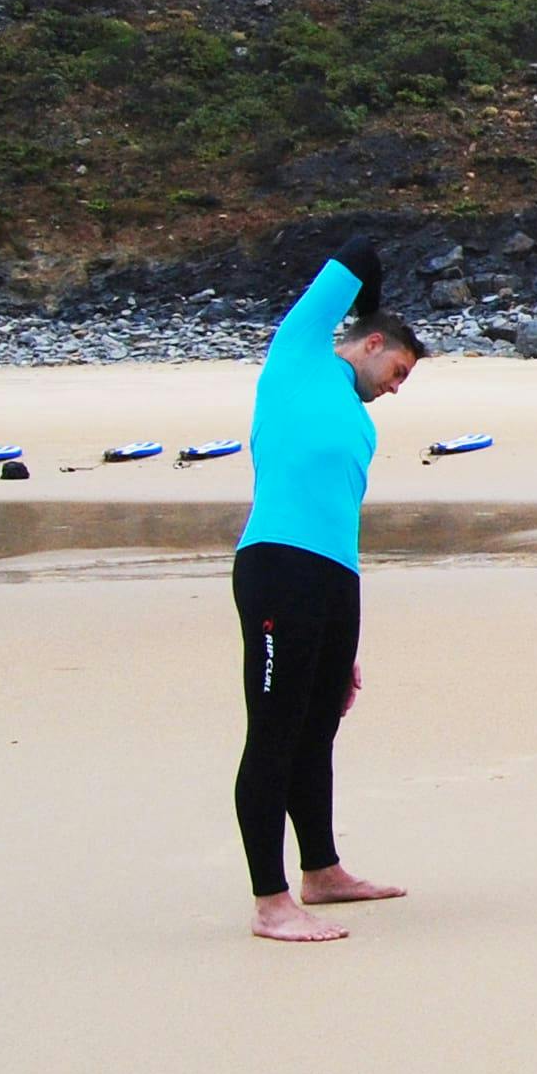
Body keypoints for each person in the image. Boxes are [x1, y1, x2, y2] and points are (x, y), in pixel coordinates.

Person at [231, 245, 424, 943]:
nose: (397, 387)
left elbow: (336, 512)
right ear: (371, 344)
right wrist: (367, 300)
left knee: (320, 727)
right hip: (278, 564)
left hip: (335, 576)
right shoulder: (299, 357)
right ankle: (270, 901)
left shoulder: (358, 419)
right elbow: (363, 253)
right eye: (398, 371)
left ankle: (322, 870)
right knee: (276, 730)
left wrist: (343, 642)